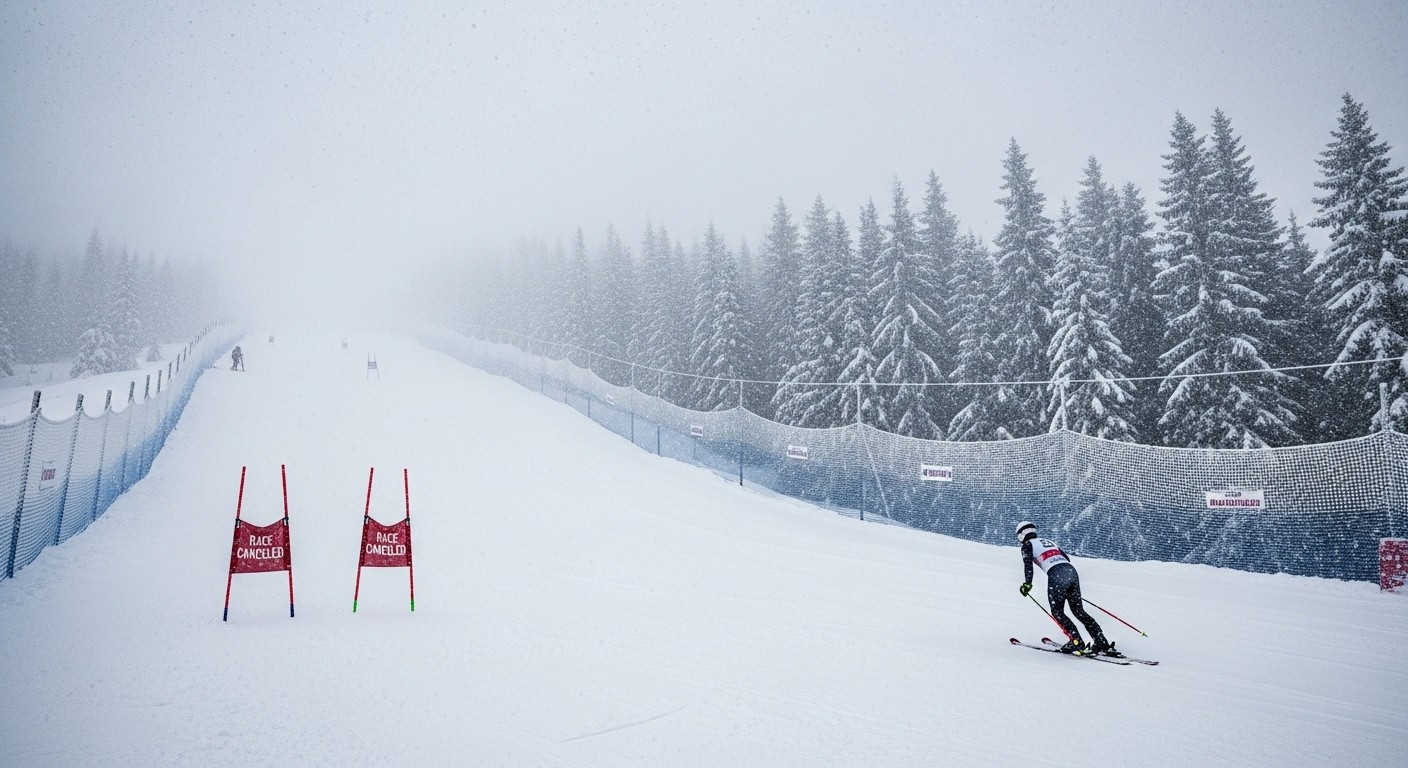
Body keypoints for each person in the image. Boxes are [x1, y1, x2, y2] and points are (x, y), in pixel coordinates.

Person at [1016, 520, 1119, 657]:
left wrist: (1028, 583)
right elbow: (1066, 558)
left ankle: (1076, 641)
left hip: (1057, 575)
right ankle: (1101, 641)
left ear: (1021, 535)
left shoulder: (1027, 545)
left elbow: (1028, 565)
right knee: (1078, 611)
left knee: (1057, 611)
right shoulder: (1047, 541)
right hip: (1071, 572)